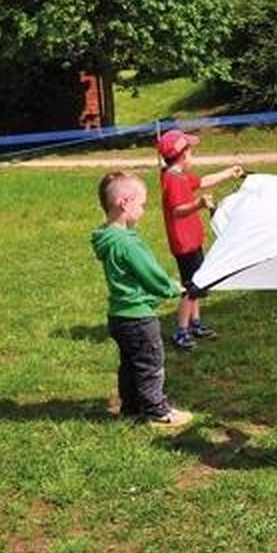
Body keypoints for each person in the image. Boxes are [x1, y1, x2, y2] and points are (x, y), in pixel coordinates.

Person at [91, 171, 192, 427]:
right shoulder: (128, 243)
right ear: (125, 203)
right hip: (138, 317)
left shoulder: (108, 237)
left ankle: (131, 406)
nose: (144, 210)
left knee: (130, 364)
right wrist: (172, 288)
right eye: (142, 204)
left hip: (118, 316)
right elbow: (150, 275)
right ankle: (156, 411)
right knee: (150, 363)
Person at [157, 128, 245, 350]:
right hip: (184, 243)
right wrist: (198, 204)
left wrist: (228, 172)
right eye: (191, 151)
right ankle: (181, 331)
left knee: (197, 282)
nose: (193, 155)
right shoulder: (173, 180)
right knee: (191, 287)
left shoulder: (178, 175)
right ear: (182, 154)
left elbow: (203, 181)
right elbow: (177, 211)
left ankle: (195, 324)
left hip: (191, 240)